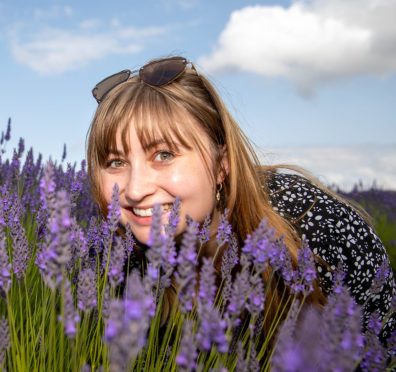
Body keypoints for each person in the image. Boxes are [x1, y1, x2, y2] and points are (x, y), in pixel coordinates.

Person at [85, 56, 395, 341]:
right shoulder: (106, 262)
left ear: (221, 166)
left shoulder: (316, 226)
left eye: (164, 155)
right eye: (115, 162)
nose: (136, 189)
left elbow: (382, 346)